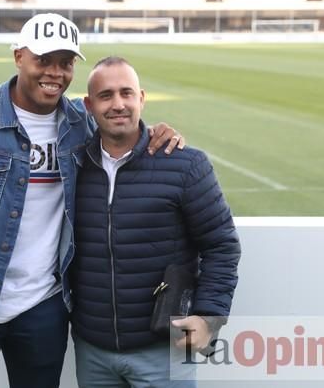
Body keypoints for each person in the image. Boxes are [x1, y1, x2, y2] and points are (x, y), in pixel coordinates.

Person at [0, 14, 184, 388]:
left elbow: (122, 132)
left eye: (66, 62)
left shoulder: (79, 122)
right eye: (44, 60)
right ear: (19, 56)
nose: (55, 73)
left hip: (44, 307)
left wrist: (155, 131)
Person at [70, 56, 241, 387]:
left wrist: (208, 318)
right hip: (92, 351)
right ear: (89, 105)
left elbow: (221, 244)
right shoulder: (73, 166)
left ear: (142, 98)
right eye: (106, 96)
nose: (118, 104)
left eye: (126, 93)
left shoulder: (185, 165)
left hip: (162, 351)